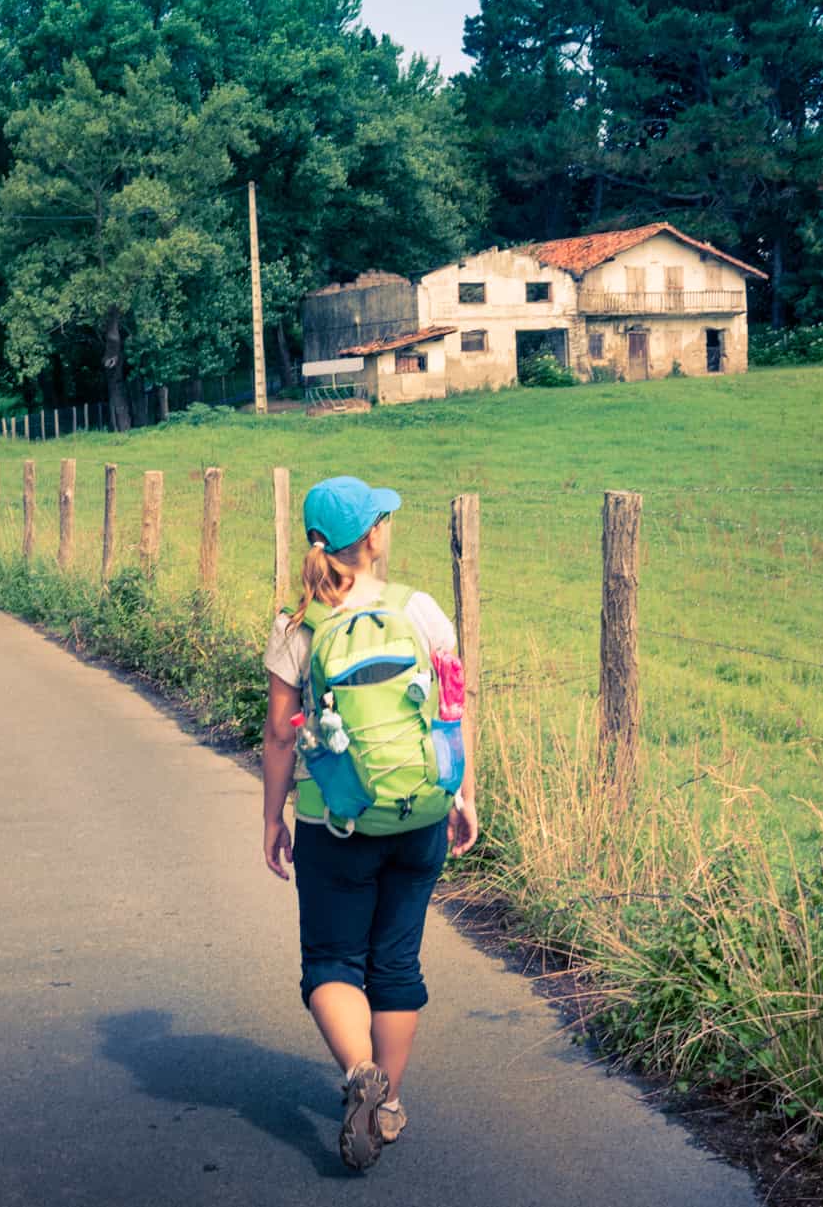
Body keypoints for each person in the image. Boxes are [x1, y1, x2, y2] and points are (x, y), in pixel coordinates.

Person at [261, 475, 478, 1172]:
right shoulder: (420, 609)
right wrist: (462, 791)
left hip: (336, 821)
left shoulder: (297, 624)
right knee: (396, 963)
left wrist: (273, 815)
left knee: (331, 961)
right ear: (374, 537)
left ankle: (360, 1072)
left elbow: (277, 733)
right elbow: (451, 706)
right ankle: (386, 1107)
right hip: (419, 810)